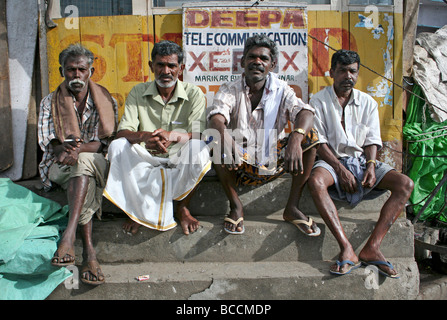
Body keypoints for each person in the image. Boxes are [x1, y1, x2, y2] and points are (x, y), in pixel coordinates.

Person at [307, 49, 414, 278]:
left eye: (353, 71)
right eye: (343, 71)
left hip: (361, 162)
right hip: (332, 161)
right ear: (332, 72)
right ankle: (346, 247)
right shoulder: (318, 101)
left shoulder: (368, 103)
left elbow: (372, 140)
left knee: (405, 184)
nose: (349, 76)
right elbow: (319, 143)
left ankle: (372, 247)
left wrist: (372, 166)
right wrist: (339, 169)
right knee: (315, 182)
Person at [206, 34, 320, 235]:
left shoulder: (282, 89)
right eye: (252, 57)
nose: (257, 62)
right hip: (239, 166)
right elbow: (216, 117)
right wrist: (225, 138)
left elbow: (305, 113)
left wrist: (296, 137)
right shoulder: (230, 89)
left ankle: (292, 207)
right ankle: (236, 206)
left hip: (273, 162)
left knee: (310, 136)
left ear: (272, 64)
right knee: (217, 137)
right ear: (242, 62)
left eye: (263, 59)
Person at [103, 40, 211, 236]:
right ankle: (135, 211)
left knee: (199, 147)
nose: (166, 71)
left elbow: (200, 133)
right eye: (160, 65)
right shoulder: (137, 91)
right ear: (151, 66)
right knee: (118, 146)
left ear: (181, 68)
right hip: (147, 157)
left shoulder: (193, 93)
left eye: (172, 65)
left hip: (179, 157)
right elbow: (122, 132)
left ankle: (182, 207)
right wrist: (144, 137)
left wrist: (173, 136)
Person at [38, 44, 118, 285]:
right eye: (70, 70)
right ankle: (90, 254)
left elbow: (102, 144)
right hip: (59, 165)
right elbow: (49, 142)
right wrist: (64, 149)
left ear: (90, 71)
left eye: (81, 69)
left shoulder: (106, 100)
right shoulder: (49, 102)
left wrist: (74, 149)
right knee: (83, 172)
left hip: (92, 160)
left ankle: (68, 237)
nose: (76, 75)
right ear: (62, 72)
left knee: (82, 161)